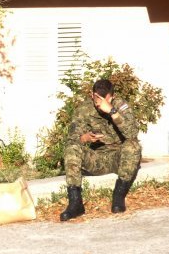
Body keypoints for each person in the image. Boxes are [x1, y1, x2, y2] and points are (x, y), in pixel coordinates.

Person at [60, 78, 142, 221]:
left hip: (119, 158)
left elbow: (132, 134)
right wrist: (84, 138)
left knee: (133, 145)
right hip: (97, 159)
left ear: (112, 97)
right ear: (92, 95)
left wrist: (111, 111)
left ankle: (118, 197)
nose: (100, 104)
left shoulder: (120, 106)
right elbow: (71, 141)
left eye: (105, 99)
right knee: (71, 149)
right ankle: (75, 203)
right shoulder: (84, 110)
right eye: (97, 99)